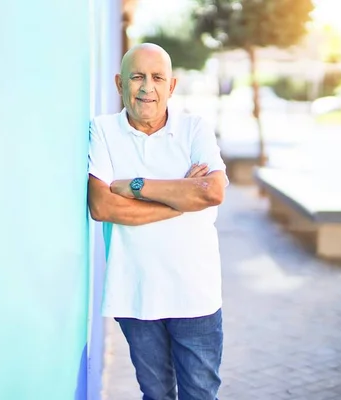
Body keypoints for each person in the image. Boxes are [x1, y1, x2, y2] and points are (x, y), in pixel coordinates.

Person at [87, 43, 228, 400]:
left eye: (157, 77)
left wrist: (137, 186)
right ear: (120, 84)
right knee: (156, 395)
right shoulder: (103, 131)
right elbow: (103, 207)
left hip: (195, 295)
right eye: (137, 77)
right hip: (135, 295)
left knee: (200, 394)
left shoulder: (195, 129)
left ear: (172, 85)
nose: (147, 87)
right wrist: (180, 200)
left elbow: (211, 192)